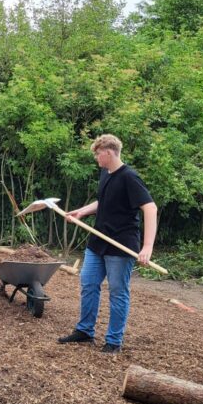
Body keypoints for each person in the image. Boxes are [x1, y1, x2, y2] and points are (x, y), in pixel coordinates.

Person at [58, 134, 158, 354]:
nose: (96, 158)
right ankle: (85, 331)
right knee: (88, 283)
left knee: (117, 292)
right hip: (98, 242)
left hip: (121, 245)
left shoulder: (130, 177)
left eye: (98, 153)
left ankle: (113, 341)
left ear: (109, 152)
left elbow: (150, 208)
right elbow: (103, 201)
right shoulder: (106, 173)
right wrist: (81, 212)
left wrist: (147, 247)